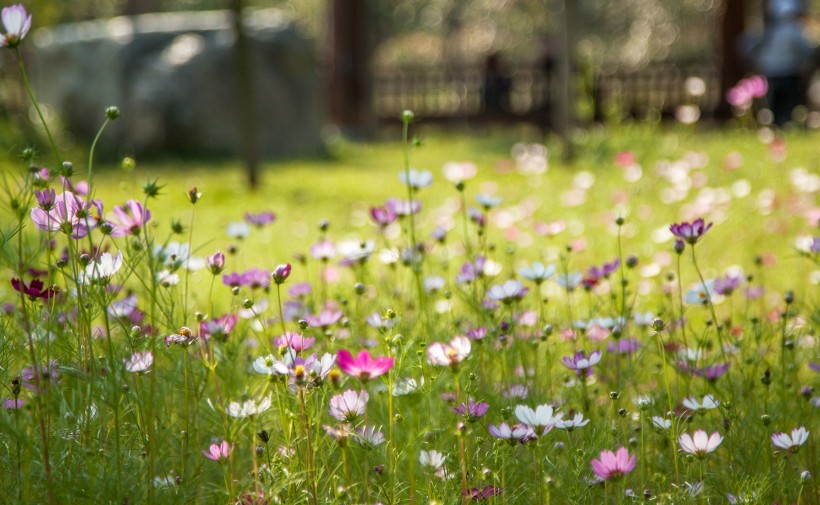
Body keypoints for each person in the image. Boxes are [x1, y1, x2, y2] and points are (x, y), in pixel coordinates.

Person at [741, 0, 817, 125]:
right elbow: (807, 50)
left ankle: (777, 128)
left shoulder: (768, 31)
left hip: (771, 74)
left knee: (774, 107)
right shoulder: (794, 31)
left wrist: (756, 63)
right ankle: (785, 127)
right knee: (788, 107)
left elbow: (747, 47)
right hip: (790, 75)